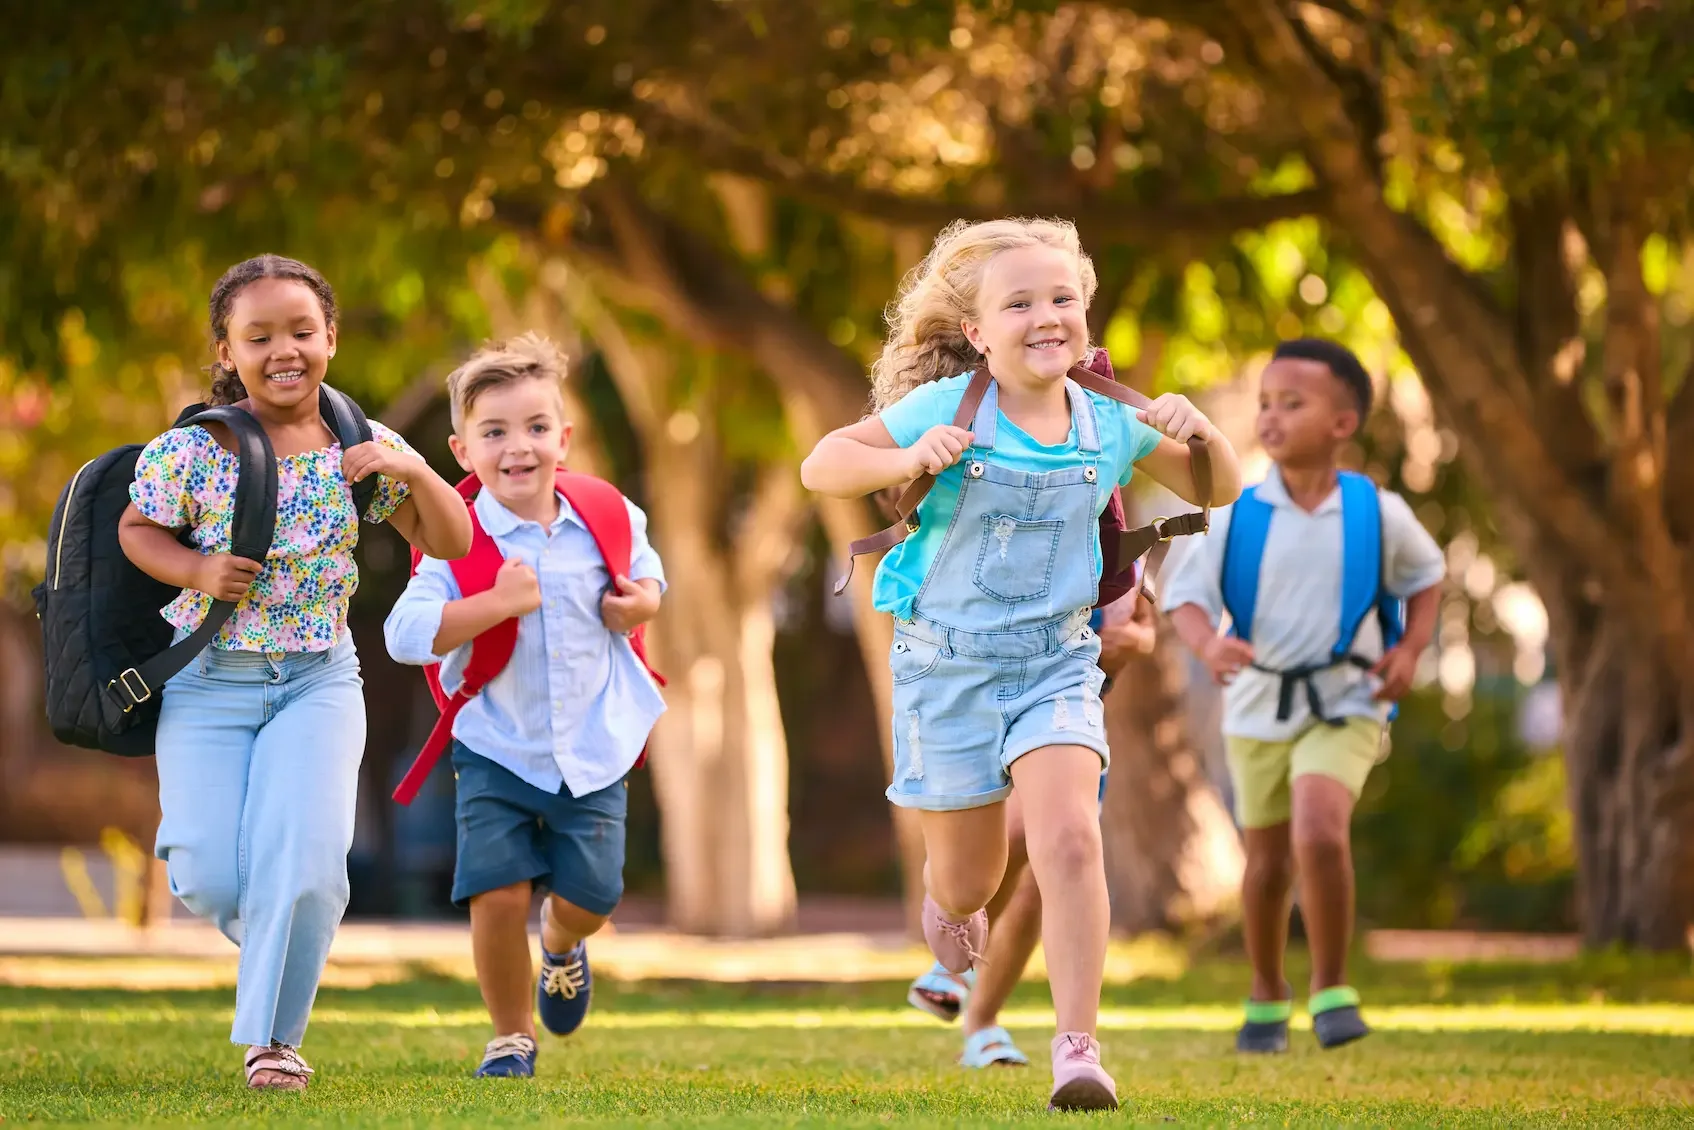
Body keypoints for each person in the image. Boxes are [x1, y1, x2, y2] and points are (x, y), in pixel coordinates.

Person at [801, 217, 1241, 1110]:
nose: (1048, 316)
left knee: (1072, 840)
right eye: (1021, 303)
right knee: (970, 883)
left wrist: (1204, 436)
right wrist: (907, 454)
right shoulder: (952, 408)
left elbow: (1215, 486)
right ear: (978, 333)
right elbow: (823, 464)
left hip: (1056, 664)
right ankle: (951, 910)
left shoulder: (1109, 420)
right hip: (947, 671)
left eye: (1063, 298)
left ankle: (1078, 1049)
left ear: (1085, 313)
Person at [118, 254, 472, 1090]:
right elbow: (138, 530)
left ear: (331, 338)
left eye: (302, 331)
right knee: (207, 873)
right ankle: (289, 930)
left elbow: (452, 542)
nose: (286, 350)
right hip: (209, 679)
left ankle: (273, 1043)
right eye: (260, 335)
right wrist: (197, 572)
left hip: (318, 678)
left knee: (310, 861)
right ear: (227, 350)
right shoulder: (196, 448)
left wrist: (416, 469)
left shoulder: (361, 444)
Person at [384, 334, 666, 1078]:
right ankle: (510, 1037)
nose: (519, 447)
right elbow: (404, 635)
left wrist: (638, 607)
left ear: (564, 438)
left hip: (594, 742)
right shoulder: (455, 534)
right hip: (495, 744)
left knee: (593, 895)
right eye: (495, 432)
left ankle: (565, 944)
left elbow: (648, 580)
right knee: (495, 894)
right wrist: (492, 605)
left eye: (537, 428)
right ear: (462, 449)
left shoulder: (610, 511)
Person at [1160, 338, 1445, 1052]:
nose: (1271, 416)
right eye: (1264, 403)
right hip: (1256, 705)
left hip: (1348, 699)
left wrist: (1409, 649)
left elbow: (1427, 576)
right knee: (1266, 864)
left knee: (1319, 831)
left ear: (1343, 423)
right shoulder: (1233, 514)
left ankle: (1331, 985)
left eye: (1294, 403)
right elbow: (1185, 599)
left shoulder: (1376, 512)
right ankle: (1265, 990)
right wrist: (1209, 645)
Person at [905, 592, 1157, 1070]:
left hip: (1069, 710)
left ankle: (981, 1021)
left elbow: (1147, 631)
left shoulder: (1123, 545)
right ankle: (957, 937)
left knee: (1045, 881)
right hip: (982, 690)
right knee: (1017, 839)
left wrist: (1131, 643)